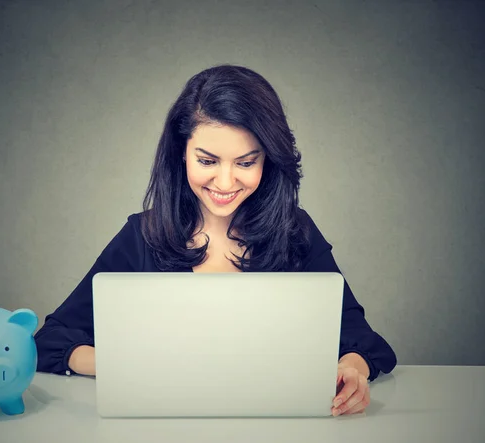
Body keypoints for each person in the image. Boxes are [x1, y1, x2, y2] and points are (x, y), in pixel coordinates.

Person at [34, 64, 397, 417]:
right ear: (182, 153)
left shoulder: (295, 232)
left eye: (245, 163)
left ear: (268, 160)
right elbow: (51, 339)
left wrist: (352, 369)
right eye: (207, 161)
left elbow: (360, 339)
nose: (225, 183)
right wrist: (122, 365)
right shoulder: (141, 236)